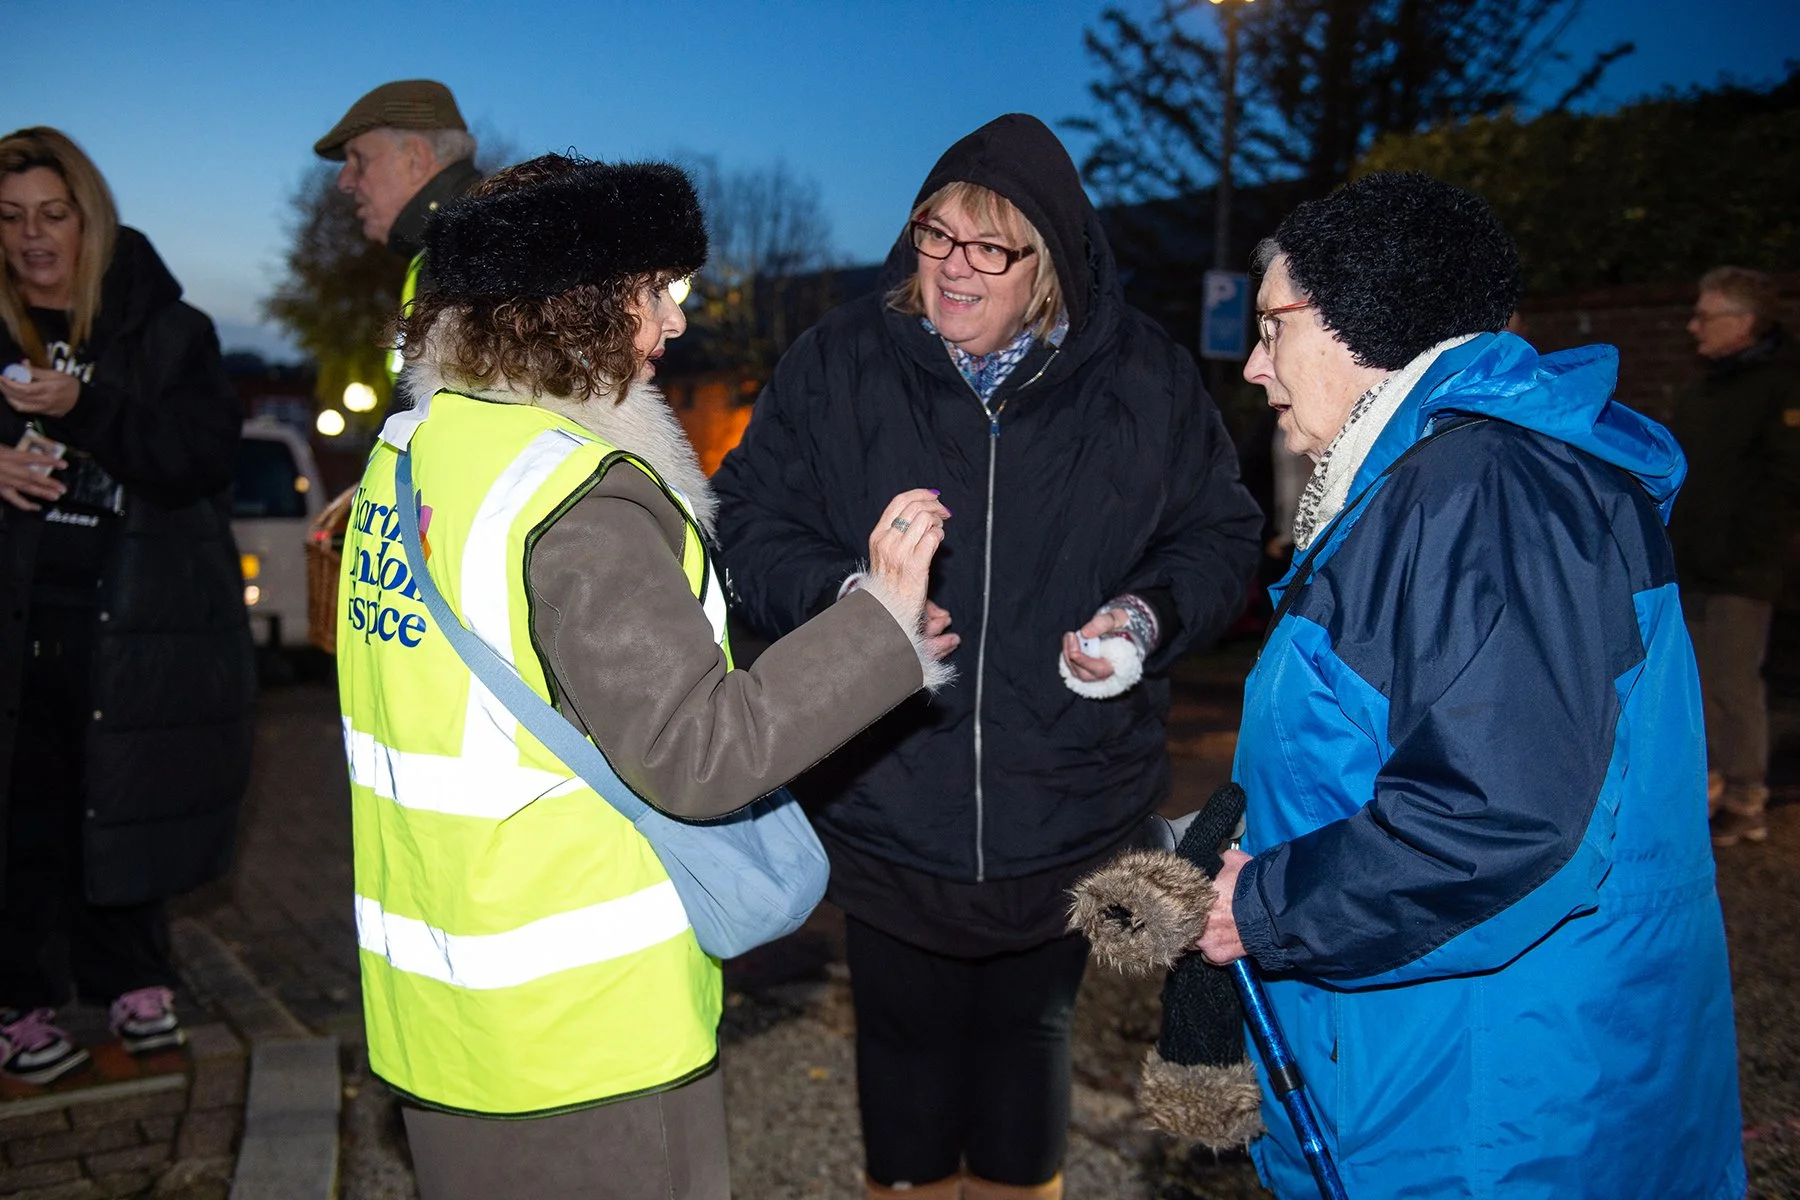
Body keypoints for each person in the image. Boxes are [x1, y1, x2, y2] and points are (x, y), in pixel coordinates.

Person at [338, 152, 952, 1200]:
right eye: (654, 291)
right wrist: (881, 625)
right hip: (582, 1038)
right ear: (572, 305)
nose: (675, 320)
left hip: (440, 1014)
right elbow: (700, 751)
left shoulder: (412, 454)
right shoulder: (576, 500)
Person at [712, 114, 1262, 1200]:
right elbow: (745, 524)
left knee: (1028, 1048)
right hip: (886, 802)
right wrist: (855, 605)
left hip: (1069, 805)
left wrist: (1143, 619)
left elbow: (1220, 535)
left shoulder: (1143, 379)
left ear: (1048, 263)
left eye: (990, 247)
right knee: (902, 1062)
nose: (954, 266)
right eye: (936, 235)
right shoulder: (838, 361)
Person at [1192, 172, 1745, 1198]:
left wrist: (1261, 905)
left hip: (1492, 1104)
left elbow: (1504, 817)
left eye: (1273, 327)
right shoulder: (1437, 483)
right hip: (1447, 1063)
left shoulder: (1485, 494)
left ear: (1364, 318)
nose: (1256, 364)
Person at [0, 127, 253, 1083]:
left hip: (133, 615)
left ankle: (135, 982)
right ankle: (17, 1002)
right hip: (18, 619)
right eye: (10, 218)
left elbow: (200, 458)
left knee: (127, 795)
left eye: (52, 214)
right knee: (23, 811)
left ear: (90, 219)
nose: (33, 237)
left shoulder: (167, 329)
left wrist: (85, 407)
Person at [1669, 266, 1800, 846]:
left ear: (1743, 323)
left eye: (1706, 316)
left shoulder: (1780, 388)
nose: (1693, 327)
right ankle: (1710, 786)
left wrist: (1746, 549)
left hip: (1741, 568)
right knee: (1695, 679)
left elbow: (1784, 481)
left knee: (1731, 680)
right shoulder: (1704, 390)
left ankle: (1747, 796)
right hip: (1694, 562)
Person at [312, 78, 482, 390]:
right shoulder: (454, 246)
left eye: (359, 161)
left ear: (415, 159)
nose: (344, 182)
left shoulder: (473, 250)